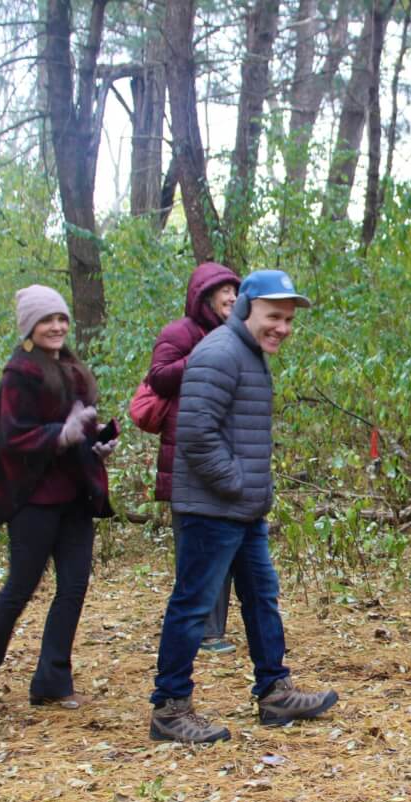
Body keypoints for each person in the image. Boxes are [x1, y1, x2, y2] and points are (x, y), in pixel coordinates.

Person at [149, 269, 338, 744]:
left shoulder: (249, 354)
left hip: (242, 508)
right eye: (275, 316)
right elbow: (195, 434)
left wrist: (247, 493)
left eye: (289, 319)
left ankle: (274, 691)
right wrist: (235, 483)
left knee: (260, 598)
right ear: (246, 307)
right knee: (193, 606)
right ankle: (170, 708)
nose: (283, 327)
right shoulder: (218, 354)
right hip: (212, 509)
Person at [0, 285, 116, 715]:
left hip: (75, 497)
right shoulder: (19, 373)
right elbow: (12, 437)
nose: (57, 327)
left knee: (74, 586)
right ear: (30, 326)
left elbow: (81, 425)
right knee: (20, 588)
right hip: (33, 499)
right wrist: (59, 435)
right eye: (48, 320)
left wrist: (96, 443)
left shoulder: (73, 369)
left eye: (62, 319)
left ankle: (51, 681)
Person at [146, 262, 241, 655]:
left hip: (226, 452)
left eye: (237, 293)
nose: (233, 299)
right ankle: (195, 630)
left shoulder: (236, 335)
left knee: (225, 542)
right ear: (204, 295)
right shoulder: (179, 333)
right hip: (185, 455)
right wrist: (205, 355)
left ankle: (212, 630)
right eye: (225, 293)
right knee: (194, 545)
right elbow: (159, 377)